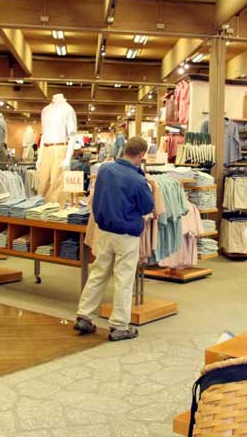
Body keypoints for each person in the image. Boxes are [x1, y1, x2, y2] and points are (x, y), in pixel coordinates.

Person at [74, 137, 154, 341]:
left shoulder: (105, 170)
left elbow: (96, 198)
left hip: (104, 231)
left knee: (98, 273)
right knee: (124, 279)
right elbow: (147, 207)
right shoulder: (138, 180)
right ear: (141, 154)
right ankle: (119, 325)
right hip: (126, 235)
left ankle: (84, 315)